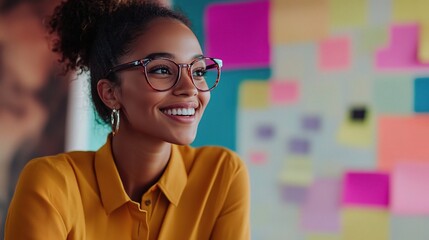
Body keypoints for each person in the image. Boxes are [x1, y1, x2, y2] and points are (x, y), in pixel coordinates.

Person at [4, 0, 250, 239]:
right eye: (162, 70)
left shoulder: (221, 175)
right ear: (110, 93)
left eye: (198, 71)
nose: (190, 88)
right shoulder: (51, 184)